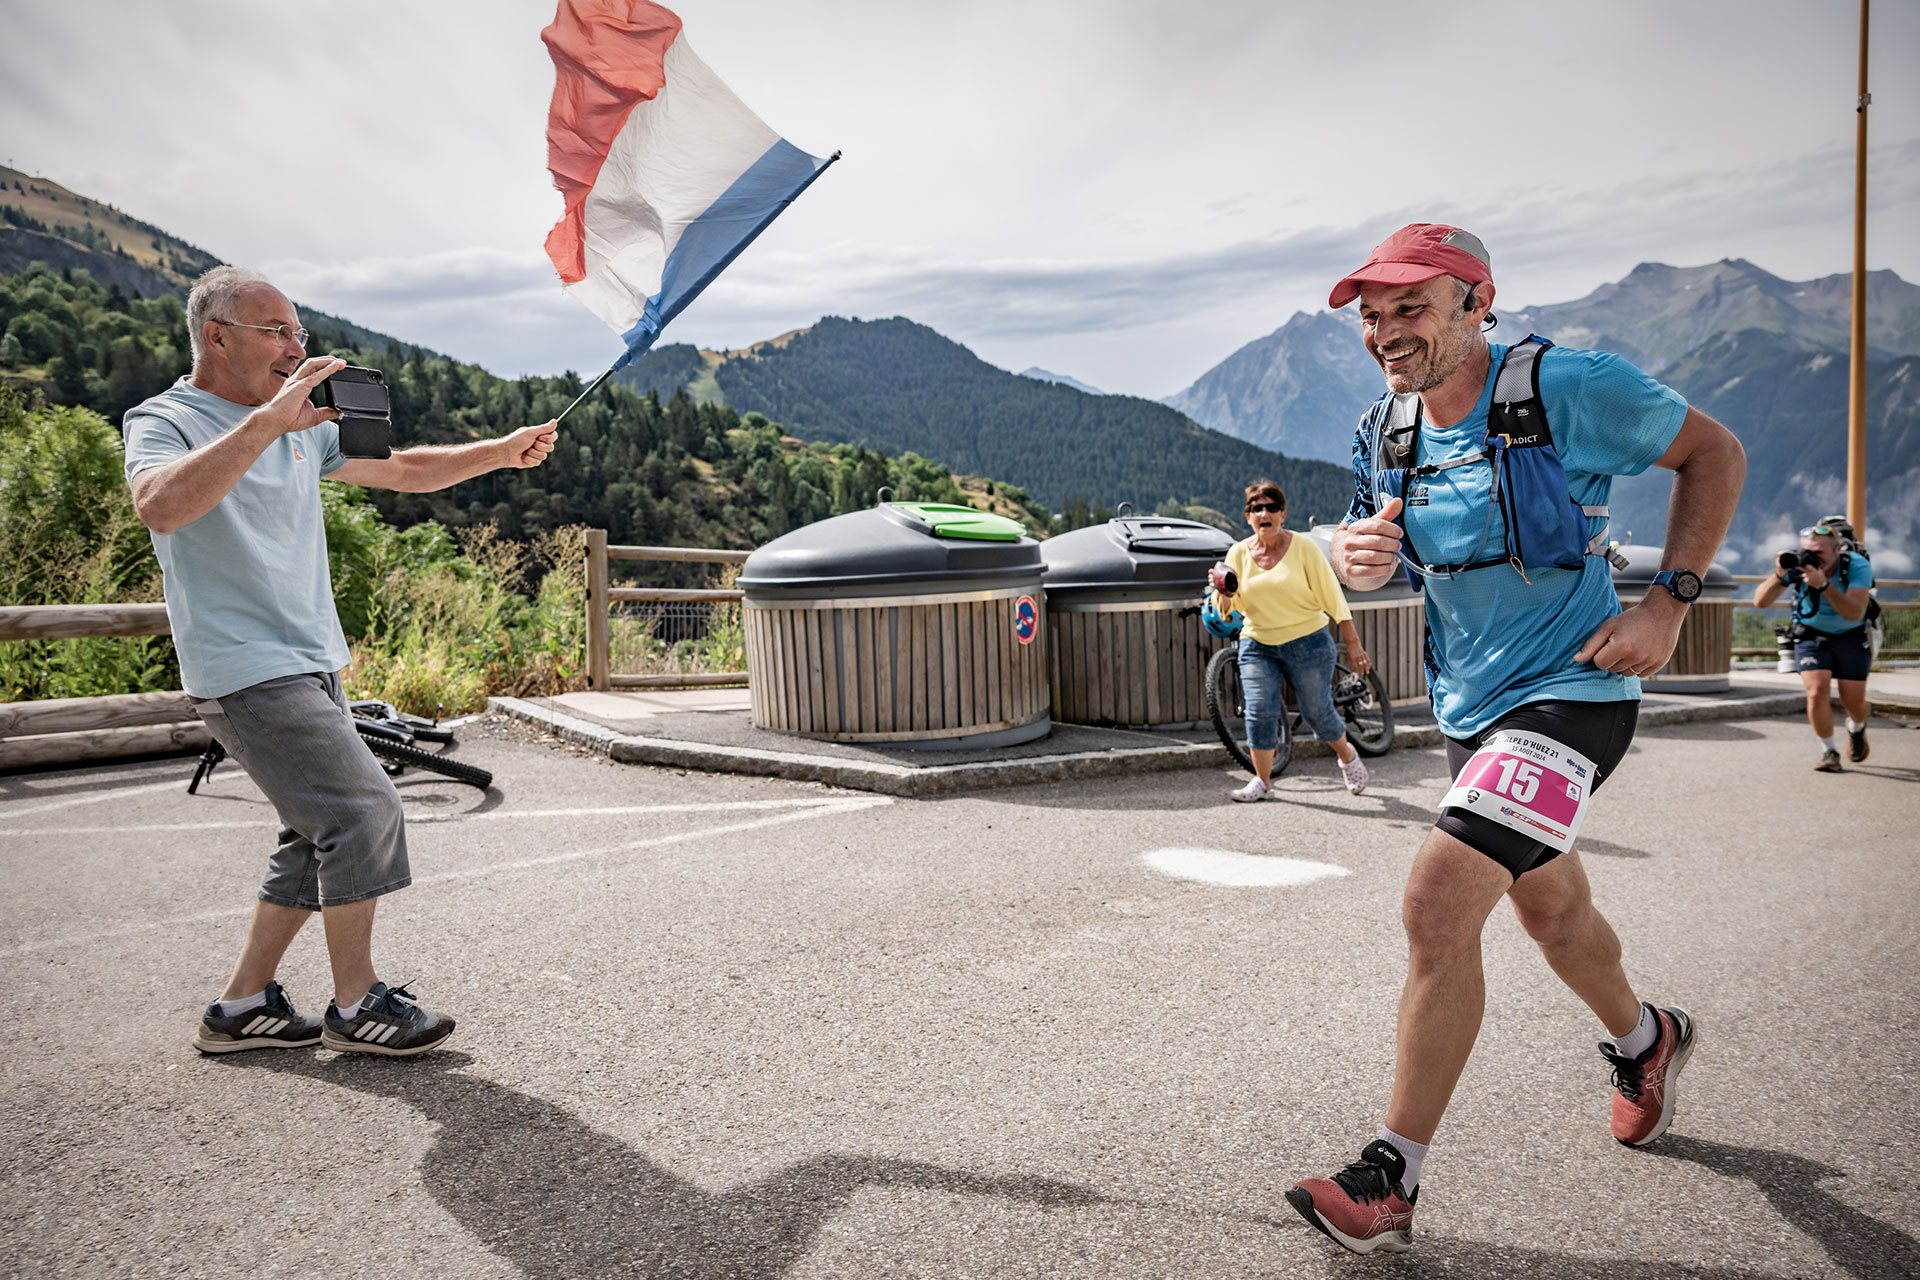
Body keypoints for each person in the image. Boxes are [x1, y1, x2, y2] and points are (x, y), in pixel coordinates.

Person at [1284, 224, 1746, 1254]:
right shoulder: (1382, 431)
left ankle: (1390, 1177)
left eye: (1411, 306)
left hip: (1576, 687)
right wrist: (1357, 556)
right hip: (1472, 711)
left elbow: (1714, 451)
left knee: (1436, 897)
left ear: (1475, 302)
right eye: (1370, 313)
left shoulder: (1565, 386)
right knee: (1555, 911)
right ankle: (1646, 1037)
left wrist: (1669, 603)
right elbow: (1379, 544)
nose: (1385, 329)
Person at [123, 266, 557, 1057]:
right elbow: (162, 505)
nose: (297, 347)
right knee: (363, 812)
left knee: (310, 831)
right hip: (243, 666)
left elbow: (401, 469)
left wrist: (500, 451)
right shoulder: (168, 418)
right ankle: (357, 1006)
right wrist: (270, 424)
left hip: (309, 658)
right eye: (278, 332)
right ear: (218, 336)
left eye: (299, 333)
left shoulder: (305, 424)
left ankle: (240, 1005)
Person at [1207, 480, 1372, 800]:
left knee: (1318, 714)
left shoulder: (1304, 548)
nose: (1264, 512)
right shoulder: (1237, 553)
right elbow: (1227, 610)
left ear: (1283, 514)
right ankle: (1263, 782)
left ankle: (1347, 755)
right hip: (1257, 643)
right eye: (1257, 508)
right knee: (1258, 711)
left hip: (1307, 641)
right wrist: (1223, 592)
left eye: (1271, 507)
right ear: (1248, 517)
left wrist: (1353, 643)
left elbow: (1332, 596)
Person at [1751, 521, 1874, 771]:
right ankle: (1829, 751)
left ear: (1837, 550)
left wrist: (1823, 586)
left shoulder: (1856, 566)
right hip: (1810, 634)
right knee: (1816, 693)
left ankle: (1857, 727)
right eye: (1808, 551)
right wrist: (1780, 574)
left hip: (1850, 634)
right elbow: (1760, 602)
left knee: (1854, 704)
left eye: (1819, 553)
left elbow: (1854, 613)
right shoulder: (1799, 567)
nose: (1812, 557)